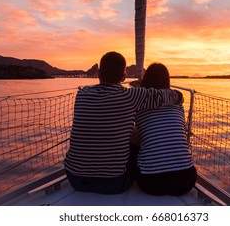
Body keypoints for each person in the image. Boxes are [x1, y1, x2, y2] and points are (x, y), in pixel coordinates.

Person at [64, 52, 183, 194]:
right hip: (115, 183)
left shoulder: (82, 94)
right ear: (124, 77)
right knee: (134, 143)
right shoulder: (131, 96)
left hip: (75, 179)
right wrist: (180, 96)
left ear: (98, 73)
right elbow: (168, 96)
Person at [135, 63, 197, 196]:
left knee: (133, 141)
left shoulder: (139, 107)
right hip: (186, 180)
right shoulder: (178, 106)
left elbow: (138, 138)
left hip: (151, 183)